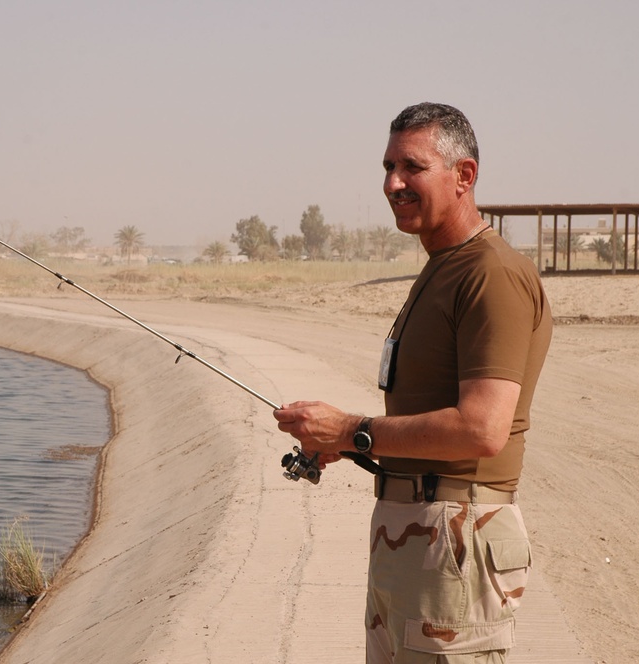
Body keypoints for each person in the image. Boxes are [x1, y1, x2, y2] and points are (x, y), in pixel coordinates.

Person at [273, 102, 552, 663]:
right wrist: (346, 443)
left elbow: (481, 429)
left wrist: (353, 430)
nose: (392, 184)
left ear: (464, 176)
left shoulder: (490, 273)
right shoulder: (442, 265)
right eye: (387, 167)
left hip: (455, 542)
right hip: (412, 539)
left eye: (412, 168)